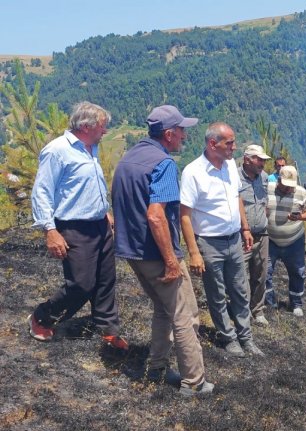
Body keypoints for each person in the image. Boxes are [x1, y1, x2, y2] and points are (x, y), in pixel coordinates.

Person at [112, 105, 213, 396]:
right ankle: (194, 382)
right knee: (186, 315)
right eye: (181, 130)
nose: (184, 135)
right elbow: (156, 216)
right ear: (168, 134)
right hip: (158, 254)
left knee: (163, 310)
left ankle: (156, 368)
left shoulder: (129, 158)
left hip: (133, 252)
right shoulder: (164, 164)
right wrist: (171, 261)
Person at [28, 101, 128, 351]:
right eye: (102, 127)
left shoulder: (89, 148)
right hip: (73, 227)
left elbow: (85, 186)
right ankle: (42, 317)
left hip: (99, 225)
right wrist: (50, 230)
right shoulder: (57, 151)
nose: (105, 132)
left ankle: (108, 329)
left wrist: (104, 211)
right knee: (81, 284)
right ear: (85, 126)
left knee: (106, 280)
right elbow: (41, 192)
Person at [180, 123, 264, 357]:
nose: (234, 148)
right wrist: (194, 251)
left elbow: (237, 197)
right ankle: (229, 338)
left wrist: (245, 228)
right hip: (209, 242)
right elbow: (184, 216)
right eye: (229, 143)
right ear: (212, 144)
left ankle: (245, 337)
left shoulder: (229, 167)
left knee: (240, 290)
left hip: (233, 239)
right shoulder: (193, 172)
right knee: (216, 293)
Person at [264, 166, 306, 316]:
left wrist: (300, 217)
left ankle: (296, 303)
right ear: (279, 180)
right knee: (265, 271)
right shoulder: (267, 188)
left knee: (298, 272)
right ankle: (270, 301)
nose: (288, 189)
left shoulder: (300, 192)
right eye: (286, 186)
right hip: (270, 239)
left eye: (290, 186)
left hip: (294, 240)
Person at [239, 144, 271, 326]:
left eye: (264, 160)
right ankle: (243, 311)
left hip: (262, 234)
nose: (263, 163)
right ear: (247, 159)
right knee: (241, 276)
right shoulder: (234, 177)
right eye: (259, 160)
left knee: (261, 274)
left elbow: (264, 203)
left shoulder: (264, 178)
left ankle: (257, 310)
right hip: (242, 236)